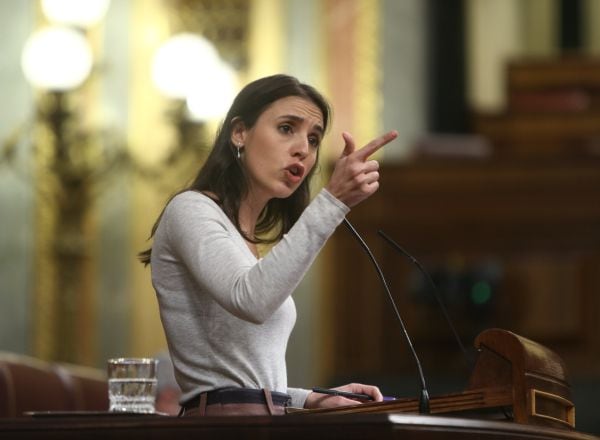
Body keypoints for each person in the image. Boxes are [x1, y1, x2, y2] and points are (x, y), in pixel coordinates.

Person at [139, 74, 398, 416]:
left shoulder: (245, 242)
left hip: (264, 423)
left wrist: (309, 398)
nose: (303, 149)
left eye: (314, 138)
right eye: (287, 128)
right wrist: (332, 202)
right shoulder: (191, 209)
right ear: (239, 132)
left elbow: (242, 383)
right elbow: (251, 300)